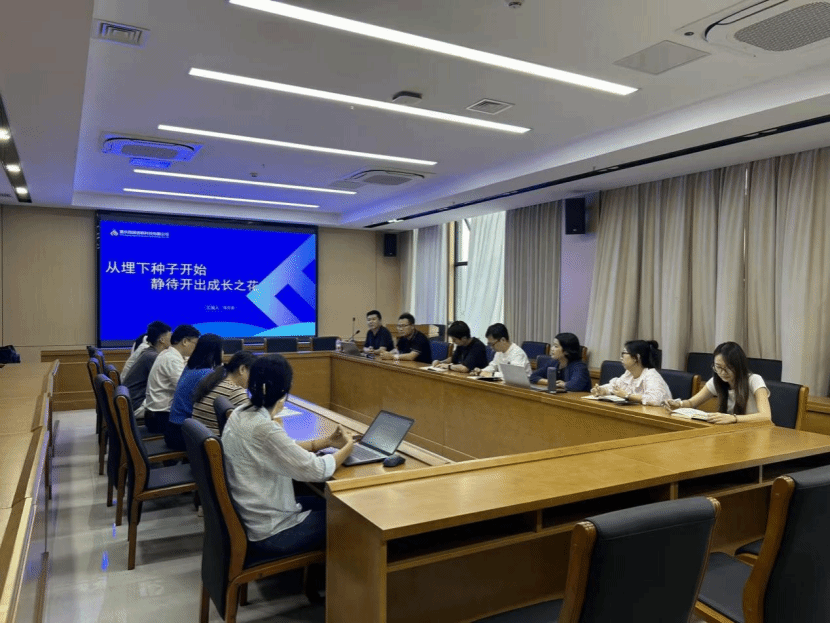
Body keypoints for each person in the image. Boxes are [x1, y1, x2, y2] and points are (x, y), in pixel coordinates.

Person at [222, 354, 355, 560]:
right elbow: (318, 470)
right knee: (349, 517)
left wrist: (327, 442)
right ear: (285, 390)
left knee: (327, 501)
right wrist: (348, 446)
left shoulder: (240, 412)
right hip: (271, 532)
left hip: (252, 515)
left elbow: (283, 448)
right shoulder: (264, 428)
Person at [665, 342, 771, 424]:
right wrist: (679, 404)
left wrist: (733, 418)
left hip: (755, 431)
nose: (722, 373)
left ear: (738, 366)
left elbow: (766, 416)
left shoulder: (754, 380)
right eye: (718, 367)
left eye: (728, 368)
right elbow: (692, 403)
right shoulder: (717, 381)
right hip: (733, 431)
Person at [165, 334, 224, 450]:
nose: (223, 352)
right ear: (215, 352)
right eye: (221, 349)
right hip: (184, 433)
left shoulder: (190, 367)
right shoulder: (207, 374)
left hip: (173, 428)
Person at [142, 324, 200, 433]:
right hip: (160, 418)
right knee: (200, 425)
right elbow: (184, 390)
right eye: (195, 343)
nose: (196, 348)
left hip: (158, 414)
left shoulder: (169, 354)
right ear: (185, 341)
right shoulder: (172, 359)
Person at [191, 350, 256, 435]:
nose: (254, 379)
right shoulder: (235, 391)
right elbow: (255, 424)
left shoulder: (214, 381)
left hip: (204, 438)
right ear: (242, 369)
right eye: (253, 374)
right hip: (218, 440)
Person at [591, 339, 671, 406]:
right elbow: (615, 387)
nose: (621, 358)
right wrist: (603, 390)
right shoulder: (629, 374)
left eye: (623, 354)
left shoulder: (651, 375)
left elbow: (656, 399)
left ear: (636, 357)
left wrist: (628, 396)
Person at [122, 321, 172, 416]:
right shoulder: (153, 357)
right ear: (162, 340)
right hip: (137, 405)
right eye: (170, 336)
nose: (173, 340)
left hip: (132, 401)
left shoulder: (148, 352)